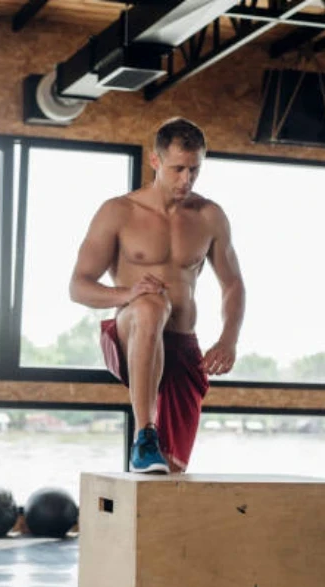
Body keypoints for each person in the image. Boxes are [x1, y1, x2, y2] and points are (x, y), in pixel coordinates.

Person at [69, 117, 245, 474]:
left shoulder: (209, 216)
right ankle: (143, 434)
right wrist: (127, 293)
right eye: (177, 168)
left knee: (172, 472)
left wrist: (228, 340)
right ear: (155, 161)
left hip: (181, 343)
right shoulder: (118, 211)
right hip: (131, 331)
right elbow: (79, 286)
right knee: (151, 303)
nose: (186, 179)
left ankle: (156, 468)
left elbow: (233, 285)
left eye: (194, 170)